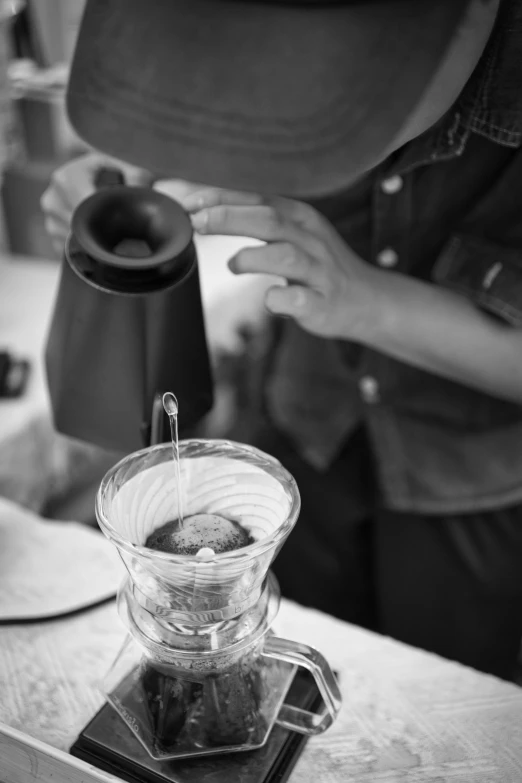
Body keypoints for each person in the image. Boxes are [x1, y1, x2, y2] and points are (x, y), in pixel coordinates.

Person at [42, 0, 522, 680]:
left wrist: (365, 299)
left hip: (473, 478)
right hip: (309, 422)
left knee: (433, 694)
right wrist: (121, 169)